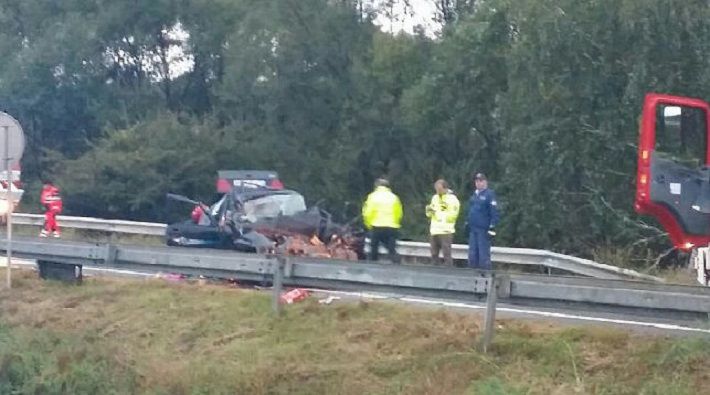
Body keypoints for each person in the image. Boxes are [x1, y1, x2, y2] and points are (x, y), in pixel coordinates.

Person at [362, 178, 402, 264]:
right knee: (391, 249)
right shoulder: (394, 197)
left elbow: (367, 213)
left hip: (377, 225)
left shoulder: (372, 196)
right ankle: (397, 264)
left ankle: (373, 267)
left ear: (376, 186)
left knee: (374, 249)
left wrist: (368, 225)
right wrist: (395, 223)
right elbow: (399, 213)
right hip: (391, 226)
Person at [466, 173, 499, 269]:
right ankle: (472, 275)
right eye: (476, 181)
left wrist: (492, 227)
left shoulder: (489, 194)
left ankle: (484, 276)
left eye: (480, 181)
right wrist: (467, 222)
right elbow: (471, 210)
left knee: (483, 254)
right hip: (473, 229)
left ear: (485, 182)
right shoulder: (474, 195)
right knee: (472, 254)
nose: (478, 183)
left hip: (483, 229)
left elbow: (494, 212)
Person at [425, 179, 460, 266]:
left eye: (439, 189)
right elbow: (430, 214)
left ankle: (448, 271)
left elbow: (453, 215)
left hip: (445, 230)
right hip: (434, 230)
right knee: (434, 253)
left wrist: (440, 215)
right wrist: (429, 211)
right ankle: (434, 271)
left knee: (446, 254)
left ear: (445, 188)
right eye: (436, 189)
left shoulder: (452, 199)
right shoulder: (434, 198)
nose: (438, 191)